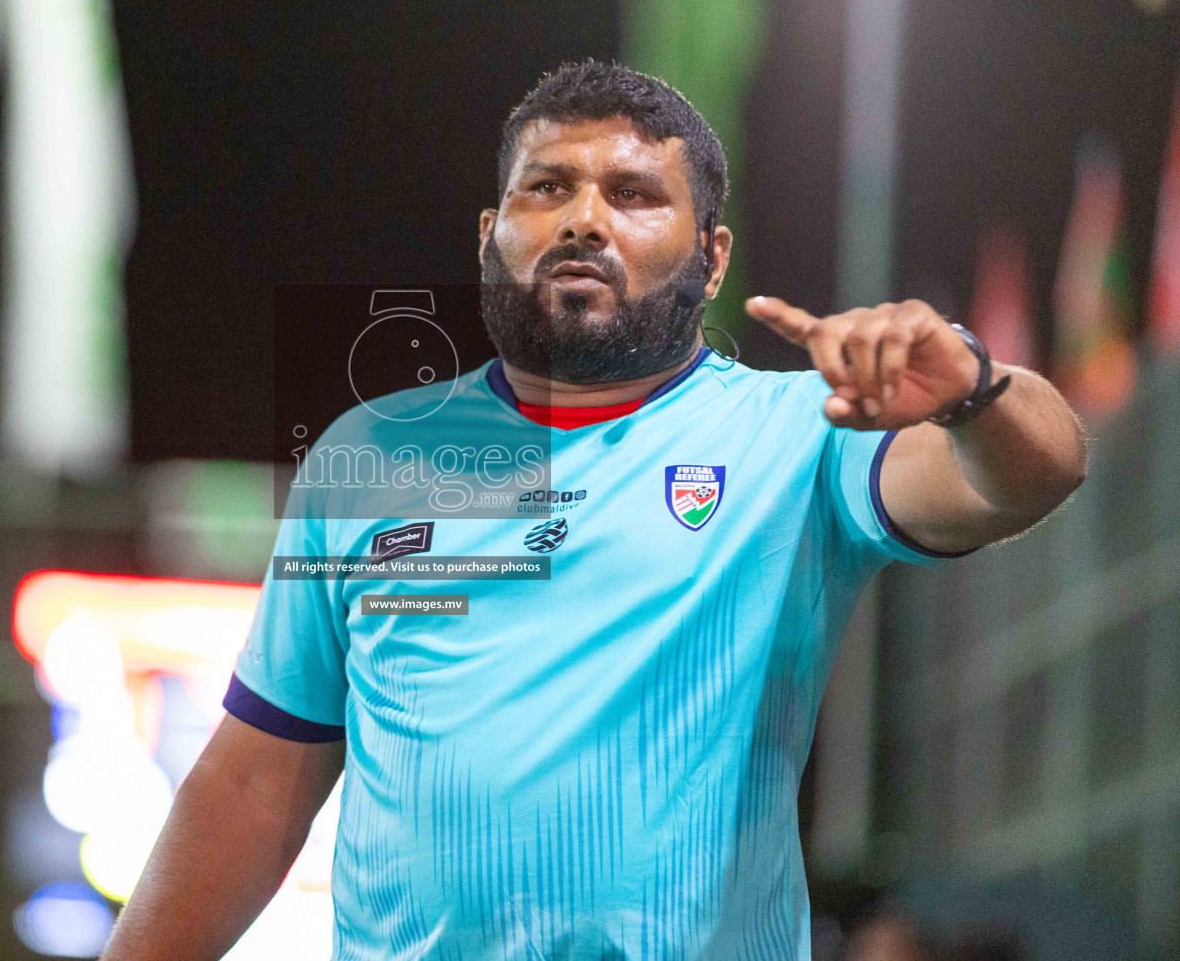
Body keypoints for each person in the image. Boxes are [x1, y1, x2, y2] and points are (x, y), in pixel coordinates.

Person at [102, 61, 1085, 960]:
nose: (583, 218)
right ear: (489, 236)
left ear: (710, 258)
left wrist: (973, 391)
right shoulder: (368, 455)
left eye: (633, 194)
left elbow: (1038, 470)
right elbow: (252, 786)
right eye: (548, 186)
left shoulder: (798, 434)